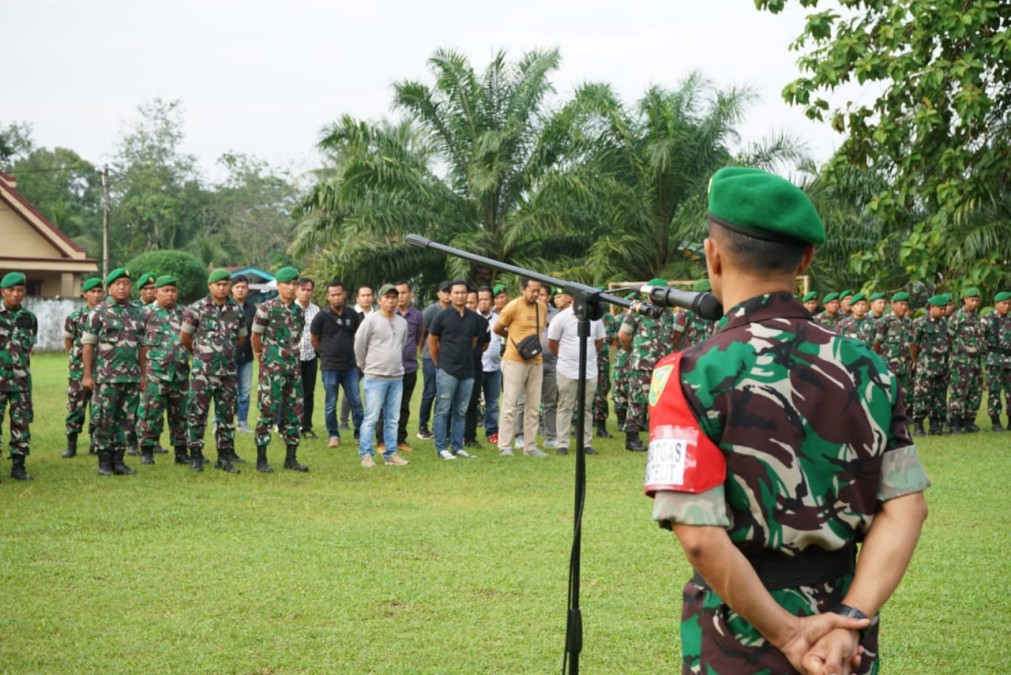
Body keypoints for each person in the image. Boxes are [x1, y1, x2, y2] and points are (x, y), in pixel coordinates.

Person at [645, 167, 929, 674]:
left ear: (713, 254)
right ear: (806, 259)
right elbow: (907, 509)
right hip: (845, 631)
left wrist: (789, 635)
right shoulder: (869, 366)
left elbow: (699, 535)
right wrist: (848, 618)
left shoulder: (690, 373)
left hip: (739, 632)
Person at [181, 269, 247, 473]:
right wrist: (202, 354)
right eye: (217, 284)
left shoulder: (236, 310)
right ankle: (196, 455)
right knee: (197, 414)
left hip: (227, 372)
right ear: (210, 286)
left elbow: (241, 338)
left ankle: (224, 456)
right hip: (203, 372)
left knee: (226, 416)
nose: (222, 288)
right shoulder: (196, 309)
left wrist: (224, 353)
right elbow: (185, 337)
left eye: (225, 284)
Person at [81, 268, 146, 476]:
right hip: (106, 377)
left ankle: (119, 460)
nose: (122, 287)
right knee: (103, 419)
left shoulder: (138, 312)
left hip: (131, 376)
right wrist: (88, 375)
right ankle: (104, 462)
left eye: (126, 283)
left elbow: (143, 347)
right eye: (117, 283)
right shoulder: (98, 313)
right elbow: (88, 346)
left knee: (126, 420)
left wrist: (144, 375)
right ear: (109, 287)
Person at [252, 267, 309, 473]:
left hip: (293, 367)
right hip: (271, 368)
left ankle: (291, 458)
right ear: (278, 285)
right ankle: (262, 458)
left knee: (294, 411)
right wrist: (263, 358)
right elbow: (255, 337)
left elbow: (297, 337)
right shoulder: (266, 308)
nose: (292, 288)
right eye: (288, 284)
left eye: (295, 284)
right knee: (268, 410)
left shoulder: (298, 311)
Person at [353, 284, 409, 467]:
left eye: (394, 297)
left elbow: (402, 343)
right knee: (372, 417)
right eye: (387, 297)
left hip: (396, 377)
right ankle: (366, 455)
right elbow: (359, 345)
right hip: (375, 377)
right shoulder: (370, 321)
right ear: (380, 300)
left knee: (393, 419)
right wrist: (364, 366)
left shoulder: (402, 322)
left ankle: (391, 454)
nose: (391, 300)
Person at [619, 280, 677, 452]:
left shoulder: (668, 314)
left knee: (661, 401)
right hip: (642, 365)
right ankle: (632, 438)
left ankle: (658, 436)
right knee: (637, 401)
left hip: (663, 366)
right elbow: (623, 335)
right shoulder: (638, 310)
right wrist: (635, 352)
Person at [138, 275, 191, 466]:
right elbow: (139, 345)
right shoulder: (144, 313)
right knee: (150, 414)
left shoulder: (185, 313)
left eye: (173, 291)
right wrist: (142, 374)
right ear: (156, 292)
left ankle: (181, 451)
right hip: (155, 374)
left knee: (181, 415)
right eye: (165, 290)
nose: (170, 294)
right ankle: (147, 450)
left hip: (180, 372)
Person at [429, 281, 485, 460]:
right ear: (450, 295)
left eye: (463, 293)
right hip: (447, 369)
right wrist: (439, 363)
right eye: (457, 293)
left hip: (467, 371)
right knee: (443, 410)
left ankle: (457, 446)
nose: (460, 296)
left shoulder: (474, 318)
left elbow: (474, 341)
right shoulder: (442, 316)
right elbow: (432, 341)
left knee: (461, 411)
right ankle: (441, 447)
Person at [494, 277, 549, 457]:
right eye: (532, 290)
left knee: (533, 405)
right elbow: (497, 328)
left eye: (538, 291)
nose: (536, 294)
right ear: (523, 289)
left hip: (536, 360)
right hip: (514, 360)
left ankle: (530, 446)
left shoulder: (542, 307)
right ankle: (505, 445)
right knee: (510, 403)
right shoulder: (513, 306)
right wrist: (515, 340)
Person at [547, 295, 604, 455]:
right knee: (565, 406)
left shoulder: (595, 318)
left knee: (586, 408)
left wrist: (590, 356)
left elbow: (599, 341)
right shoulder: (561, 318)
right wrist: (564, 357)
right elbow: (552, 341)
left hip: (590, 370)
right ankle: (562, 444)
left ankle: (586, 444)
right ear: (573, 299)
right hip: (567, 369)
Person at [309, 280, 363, 448]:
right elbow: (314, 339)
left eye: (339, 294)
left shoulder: (352, 314)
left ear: (344, 294)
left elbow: (358, 337)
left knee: (356, 401)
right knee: (330, 402)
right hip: (330, 366)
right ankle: (333, 435)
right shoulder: (321, 316)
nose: (337, 297)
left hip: (350, 366)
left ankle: (360, 435)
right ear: (328, 297)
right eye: (333, 295)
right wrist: (324, 354)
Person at [0, 272, 38, 481]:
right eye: (11, 290)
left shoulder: (28, 319)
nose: (16, 294)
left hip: (21, 381)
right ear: (2, 292)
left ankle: (18, 466)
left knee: (21, 424)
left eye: (20, 290)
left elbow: (28, 349)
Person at [62, 276, 104, 458]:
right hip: (79, 370)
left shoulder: (107, 315)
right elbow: (68, 340)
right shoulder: (75, 317)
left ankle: (95, 443)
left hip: (102, 368)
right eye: (92, 292)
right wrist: (75, 359)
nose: (96, 295)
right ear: (84, 294)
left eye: (99, 291)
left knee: (99, 407)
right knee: (76, 406)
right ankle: (71, 444)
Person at [126, 271, 157, 455]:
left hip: (157, 364)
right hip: (137, 363)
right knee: (134, 404)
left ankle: (153, 440)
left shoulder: (161, 309)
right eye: (146, 289)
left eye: (153, 288)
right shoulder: (135, 310)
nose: (150, 292)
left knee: (153, 406)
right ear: (140, 291)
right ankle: (131, 440)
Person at [911, 294, 951, 435]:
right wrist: (914, 361)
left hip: (941, 365)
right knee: (922, 395)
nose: (943, 311)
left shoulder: (944, 323)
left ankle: (935, 424)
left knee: (939, 396)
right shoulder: (920, 322)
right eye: (941, 309)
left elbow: (948, 340)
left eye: (945, 309)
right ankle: (918, 424)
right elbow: (914, 344)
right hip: (926, 365)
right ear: (931, 307)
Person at [872, 292, 914, 425]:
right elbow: (877, 343)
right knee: (888, 393)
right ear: (893, 305)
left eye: (906, 304)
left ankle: (901, 420)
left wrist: (913, 360)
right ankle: (886, 420)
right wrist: (878, 360)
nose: (904, 307)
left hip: (904, 365)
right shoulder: (884, 321)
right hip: (888, 364)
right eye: (901, 304)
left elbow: (911, 343)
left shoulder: (908, 322)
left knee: (904, 394)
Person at [416, 281, 452, 440]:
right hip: (429, 357)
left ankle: (439, 427)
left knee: (443, 394)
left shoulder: (454, 311)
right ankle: (422, 426)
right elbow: (422, 334)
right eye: (444, 291)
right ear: (439, 293)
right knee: (430, 392)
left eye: (449, 291)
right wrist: (422, 352)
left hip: (448, 358)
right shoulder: (431, 310)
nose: (447, 294)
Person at [947, 287, 985, 433]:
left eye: (977, 300)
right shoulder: (957, 317)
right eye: (972, 300)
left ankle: (969, 421)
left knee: (975, 390)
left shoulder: (977, 318)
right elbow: (949, 337)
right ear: (965, 300)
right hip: (960, 361)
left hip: (975, 360)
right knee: (959, 390)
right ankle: (955, 422)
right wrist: (957, 353)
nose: (974, 303)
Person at [394, 280, 425, 452]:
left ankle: (401, 439)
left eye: (404, 293)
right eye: (396, 293)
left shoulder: (417, 315)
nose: (400, 296)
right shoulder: (389, 314)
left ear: (410, 295)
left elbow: (419, 336)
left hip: (410, 367)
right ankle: (382, 439)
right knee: (387, 406)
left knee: (404, 406)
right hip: (391, 369)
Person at [475, 285, 502, 445]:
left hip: (494, 367)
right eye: (480, 299)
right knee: (471, 402)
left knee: (493, 403)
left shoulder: (499, 319)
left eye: (486, 299)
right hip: (476, 367)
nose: (483, 303)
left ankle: (492, 431)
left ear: (492, 302)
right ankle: (467, 432)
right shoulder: (472, 317)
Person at [231, 274, 257, 433]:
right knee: (227, 392)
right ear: (231, 289)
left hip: (247, 356)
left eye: (243, 287)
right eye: (237, 287)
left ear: (248, 290)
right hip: (229, 357)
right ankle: (220, 423)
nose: (240, 290)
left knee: (245, 392)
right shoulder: (226, 307)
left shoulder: (253, 309)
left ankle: (242, 422)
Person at [295, 277, 320, 438]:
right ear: (297, 290)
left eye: (309, 290)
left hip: (310, 357)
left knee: (308, 393)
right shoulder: (290, 308)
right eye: (303, 289)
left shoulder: (316, 310)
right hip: (293, 357)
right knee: (290, 392)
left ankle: (306, 425)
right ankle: (285, 424)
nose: (305, 293)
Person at [984, 291, 1011, 431]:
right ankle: (995, 421)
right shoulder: (987, 319)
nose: (1007, 306)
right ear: (996, 304)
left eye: (1009, 304)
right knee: (994, 391)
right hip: (994, 360)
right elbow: (980, 340)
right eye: (1004, 304)